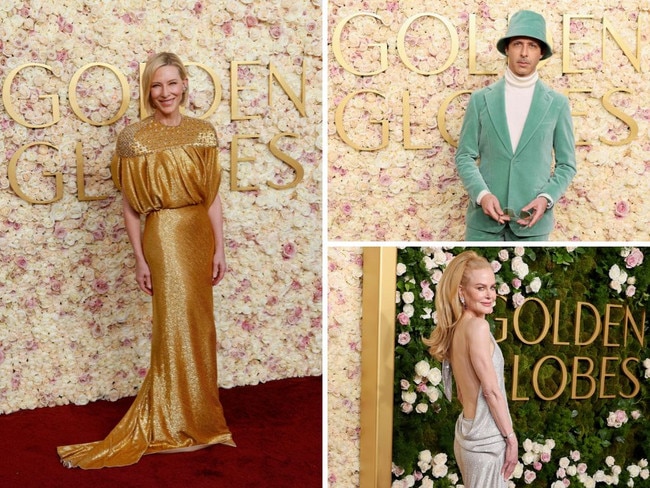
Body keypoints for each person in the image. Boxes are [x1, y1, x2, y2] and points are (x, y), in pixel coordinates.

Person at [57, 52, 235, 469]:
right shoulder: (134, 139)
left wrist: (220, 247)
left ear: (185, 84)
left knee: (201, 324)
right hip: (164, 237)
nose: (165, 93)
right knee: (173, 323)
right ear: (147, 90)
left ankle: (202, 419)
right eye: (156, 85)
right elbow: (131, 208)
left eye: (172, 83)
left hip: (197, 233)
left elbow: (211, 197)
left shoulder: (203, 133)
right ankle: (172, 421)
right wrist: (140, 259)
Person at [455, 10, 577, 241]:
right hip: (483, 226)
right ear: (507, 49)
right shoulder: (480, 99)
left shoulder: (557, 104)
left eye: (532, 45)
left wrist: (546, 198)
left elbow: (567, 164)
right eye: (518, 44)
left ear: (541, 53)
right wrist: (482, 195)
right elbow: (464, 156)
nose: (523, 52)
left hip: (532, 226)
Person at [423, 251, 517, 487]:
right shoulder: (478, 327)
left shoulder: (456, 330)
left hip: (468, 432)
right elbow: (491, 392)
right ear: (462, 292)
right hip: (487, 442)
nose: (490, 295)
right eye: (480, 288)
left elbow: (464, 395)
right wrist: (511, 438)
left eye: (492, 287)